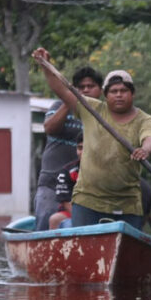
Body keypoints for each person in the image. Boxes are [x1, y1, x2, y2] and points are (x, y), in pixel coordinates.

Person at [32, 47, 151, 230]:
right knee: (72, 230)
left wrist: (145, 149)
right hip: (88, 200)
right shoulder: (91, 109)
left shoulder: (145, 119)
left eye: (123, 90)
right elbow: (61, 89)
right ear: (106, 95)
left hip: (126, 201)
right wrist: (45, 66)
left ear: (132, 94)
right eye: (114, 91)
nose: (118, 95)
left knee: (127, 234)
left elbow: (150, 136)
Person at [33, 66, 103, 230]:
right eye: (81, 87)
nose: (85, 90)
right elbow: (49, 128)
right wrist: (68, 102)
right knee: (46, 220)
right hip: (52, 181)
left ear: (100, 90)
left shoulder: (104, 115)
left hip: (88, 186)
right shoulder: (58, 105)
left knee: (88, 227)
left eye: (90, 86)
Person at [49, 134, 83, 230]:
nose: (82, 152)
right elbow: (65, 201)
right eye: (80, 148)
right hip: (73, 212)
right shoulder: (67, 171)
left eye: (86, 148)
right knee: (54, 219)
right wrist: (81, 217)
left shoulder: (102, 171)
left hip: (98, 211)